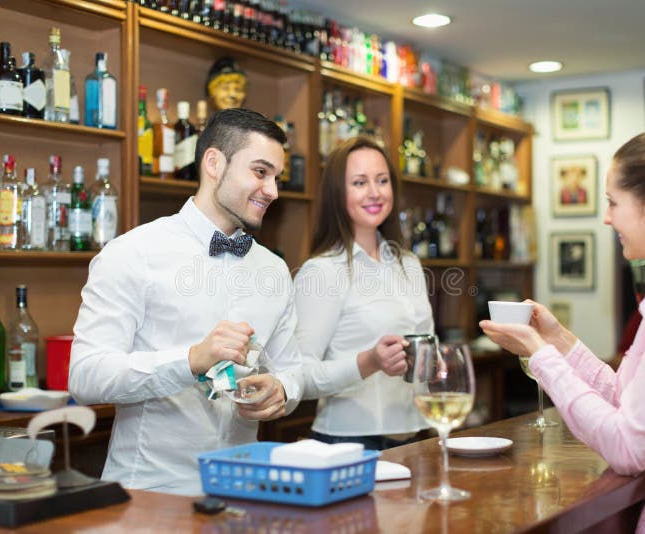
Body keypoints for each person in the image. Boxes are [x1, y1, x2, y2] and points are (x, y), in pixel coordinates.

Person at [480, 127, 645, 533]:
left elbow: (628, 446)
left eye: (613, 202)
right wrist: (557, 339)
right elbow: (630, 400)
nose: (607, 217)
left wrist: (539, 355)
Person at [69, 108, 302, 496]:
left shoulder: (275, 270)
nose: (273, 191)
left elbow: (293, 369)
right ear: (214, 163)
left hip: (246, 491)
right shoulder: (132, 253)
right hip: (150, 496)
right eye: (260, 172)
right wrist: (190, 360)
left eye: (276, 177)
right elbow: (86, 376)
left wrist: (281, 390)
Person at [294, 136, 434, 450]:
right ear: (336, 193)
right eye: (359, 182)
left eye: (382, 181)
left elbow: (425, 348)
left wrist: (435, 364)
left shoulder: (408, 264)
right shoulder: (322, 272)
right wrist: (369, 361)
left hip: (416, 438)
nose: (374, 192)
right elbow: (299, 376)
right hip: (349, 443)